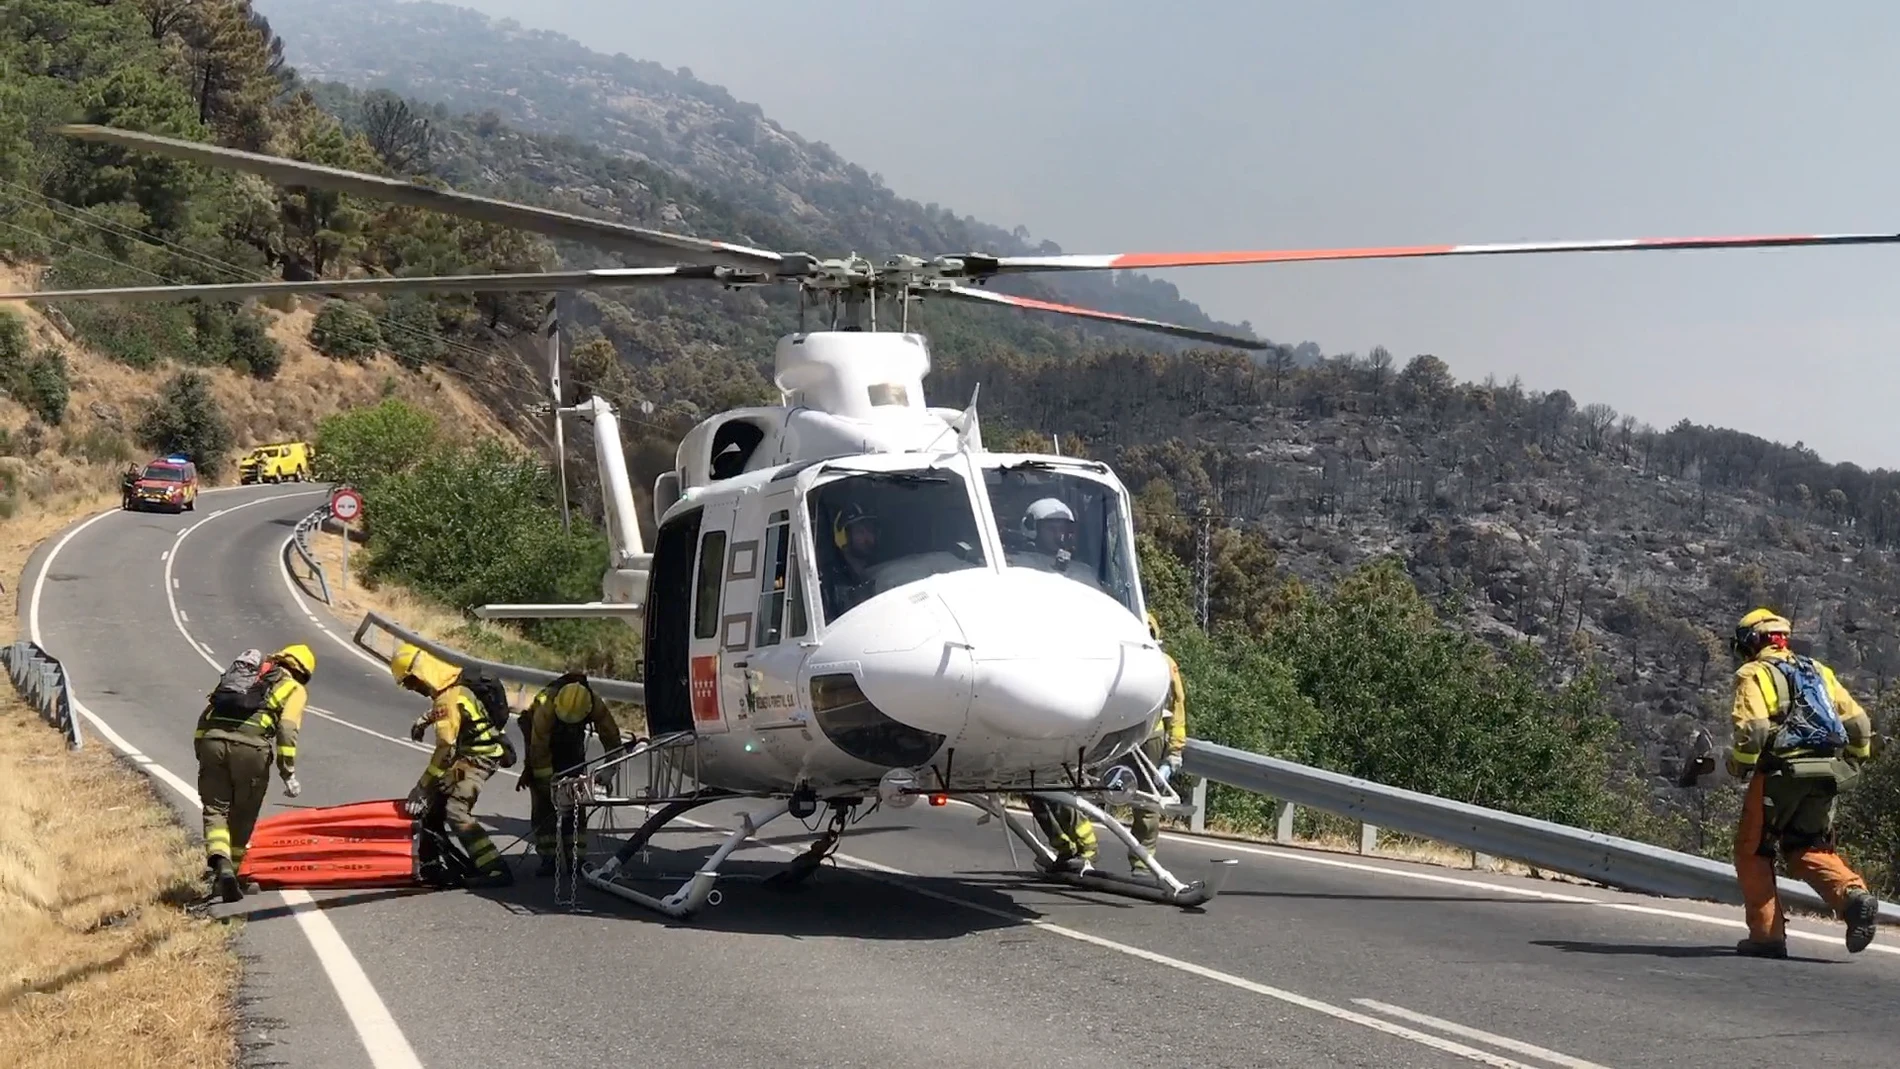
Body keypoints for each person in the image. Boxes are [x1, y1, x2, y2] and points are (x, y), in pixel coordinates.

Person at [1726, 608, 1880, 957]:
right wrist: (1855, 758)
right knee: (1807, 846)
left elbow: (1753, 732)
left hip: (1782, 774)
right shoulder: (1817, 671)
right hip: (1827, 774)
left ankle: (1766, 937)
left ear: (1751, 642)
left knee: (1754, 850)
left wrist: (1739, 767)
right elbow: (1858, 723)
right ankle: (1853, 897)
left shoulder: (1754, 673)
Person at [194, 644, 313, 902]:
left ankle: (221, 863)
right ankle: (232, 875)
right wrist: (287, 772)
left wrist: (202, 749)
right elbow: (287, 730)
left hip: (211, 742)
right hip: (252, 750)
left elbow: (207, 713)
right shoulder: (293, 689)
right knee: (243, 814)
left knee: (215, 810)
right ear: (302, 673)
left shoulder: (244, 676)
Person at [391, 643, 513, 887]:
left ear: (420, 676)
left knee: (456, 810)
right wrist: (424, 721)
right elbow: (454, 710)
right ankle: (431, 866)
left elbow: (445, 749)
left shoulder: (448, 697)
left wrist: (422, 786)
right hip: (469, 755)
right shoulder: (454, 684)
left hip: (479, 758)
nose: (413, 689)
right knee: (433, 806)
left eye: (411, 683)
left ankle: (495, 869)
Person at [516, 674, 625, 877]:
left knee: (576, 800)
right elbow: (539, 751)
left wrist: (609, 770)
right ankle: (548, 858)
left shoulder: (593, 703)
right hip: (539, 742)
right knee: (543, 805)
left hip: (572, 746)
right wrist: (549, 784)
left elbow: (612, 740)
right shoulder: (546, 706)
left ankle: (576, 857)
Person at [1125, 611, 1188, 875]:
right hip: (1112, 735)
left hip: (1149, 737)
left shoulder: (1164, 664)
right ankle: (1080, 849)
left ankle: (1142, 861)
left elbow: (1177, 706)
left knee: (1147, 802)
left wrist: (1174, 750)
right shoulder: (1118, 659)